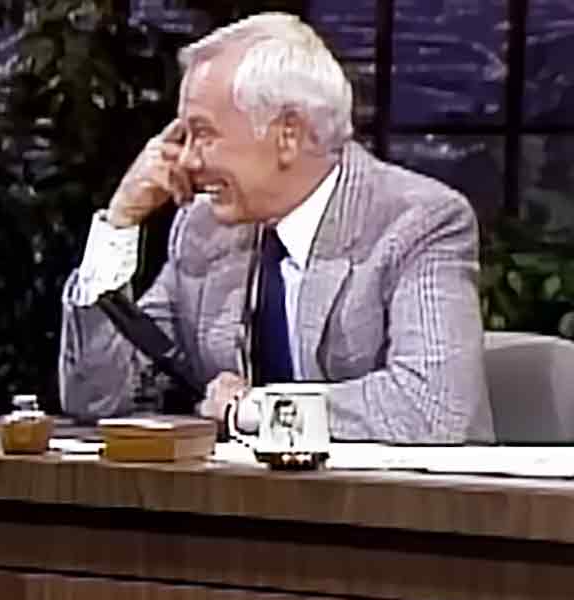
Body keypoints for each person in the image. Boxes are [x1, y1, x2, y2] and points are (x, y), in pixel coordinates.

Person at [58, 12, 493, 444]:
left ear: (287, 135)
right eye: (183, 136)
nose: (186, 161)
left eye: (203, 134)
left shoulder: (418, 222)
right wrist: (119, 222)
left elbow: (433, 407)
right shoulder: (203, 230)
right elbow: (97, 398)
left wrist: (251, 409)